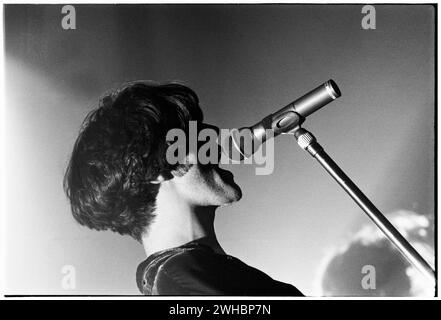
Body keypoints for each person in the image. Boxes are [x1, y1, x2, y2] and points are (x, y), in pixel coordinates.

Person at [64, 81, 303, 296]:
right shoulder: (179, 280)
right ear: (153, 167)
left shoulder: (193, 274)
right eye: (198, 137)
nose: (217, 140)